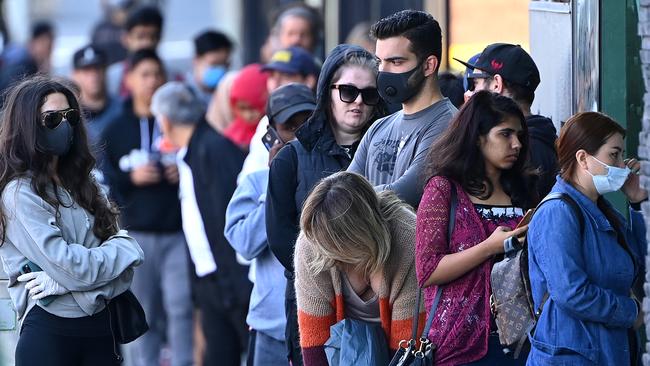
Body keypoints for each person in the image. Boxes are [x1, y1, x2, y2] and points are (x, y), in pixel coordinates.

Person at [0, 75, 144, 365]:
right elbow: (71, 265)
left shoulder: (86, 182)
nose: (64, 125)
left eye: (70, 116)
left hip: (102, 330)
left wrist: (68, 282)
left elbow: (125, 274)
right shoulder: (19, 193)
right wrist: (123, 250)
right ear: (28, 125)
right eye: (52, 119)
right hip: (50, 334)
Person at [266, 44, 386, 366]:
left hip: (381, 299)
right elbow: (281, 239)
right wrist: (336, 275)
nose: (358, 101)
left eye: (369, 94)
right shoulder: (291, 157)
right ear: (327, 91)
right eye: (348, 91)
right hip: (314, 300)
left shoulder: (387, 152)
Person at [415, 91, 537, 365]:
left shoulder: (523, 190)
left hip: (521, 338)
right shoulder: (443, 189)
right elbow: (427, 270)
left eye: (519, 136)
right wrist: (488, 248)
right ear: (478, 137)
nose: (516, 144)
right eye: (505, 134)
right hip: (459, 344)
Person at [526, 112, 647, 365]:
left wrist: (638, 201)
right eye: (613, 155)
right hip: (573, 355)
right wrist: (631, 312)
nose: (622, 165)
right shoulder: (557, 213)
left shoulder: (603, 211)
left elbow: (640, 267)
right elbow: (571, 292)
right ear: (583, 158)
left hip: (608, 351)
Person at [101, 50, 194, 366]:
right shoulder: (116, 128)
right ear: (129, 80)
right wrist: (131, 177)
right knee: (145, 311)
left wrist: (181, 172)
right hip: (136, 233)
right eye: (144, 74)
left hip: (176, 232)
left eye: (157, 73)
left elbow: (198, 164)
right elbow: (105, 183)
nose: (151, 81)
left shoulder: (178, 122)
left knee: (181, 307)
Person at [152, 82, 251, 366]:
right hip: (211, 280)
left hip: (233, 280)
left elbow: (226, 220)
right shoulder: (192, 153)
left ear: (165, 120)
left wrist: (234, 286)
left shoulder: (214, 150)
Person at [225, 83, 316, 366]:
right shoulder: (255, 183)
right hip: (271, 326)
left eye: (307, 125)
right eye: (290, 127)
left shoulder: (327, 176)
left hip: (318, 321)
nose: (299, 136)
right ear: (271, 136)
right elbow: (243, 243)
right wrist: (275, 188)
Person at [294, 172, 422, 365]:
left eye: (335, 247)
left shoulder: (408, 238)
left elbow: (406, 349)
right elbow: (315, 341)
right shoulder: (310, 243)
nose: (325, 252)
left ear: (357, 236)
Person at [347, 10, 457, 208]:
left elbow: (404, 194)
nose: (383, 72)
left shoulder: (450, 125)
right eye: (380, 62)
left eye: (396, 62)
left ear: (428, 65)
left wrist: (352, 198)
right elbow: (342, 190)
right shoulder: (378, 127)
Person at [457, 43, 558, 198]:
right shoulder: (541, 138)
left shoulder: (523, 149)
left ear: (497, 84)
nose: (470, 92)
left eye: (475, 83)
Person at [237, 46, 320, 180]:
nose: (275, 83)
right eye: (272, 76)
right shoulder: (268, 122)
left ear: (309, 80)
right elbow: (247, 182)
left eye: (286, 75)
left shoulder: (326, 118)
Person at [107, 5, 163, 98]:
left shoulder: (174, 78)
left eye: (152, 37)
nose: (146, 43)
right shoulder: (112, 78)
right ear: (125, 39)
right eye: (140, 37)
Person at [71, 44, 120, 143]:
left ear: (106, 70)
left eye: (97, 69)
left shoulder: (123, 108)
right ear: (75, 75)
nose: (93, 75)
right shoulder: (69, 114)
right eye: (86, 70)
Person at [0, 21, 55, 101]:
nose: (49, 51)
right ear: (33, 42)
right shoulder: (22, 68)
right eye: (48, 46)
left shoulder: (27, 63)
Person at [223, 63, 269, 150]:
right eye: (242, 108)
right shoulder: (231, 136)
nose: (248, 115)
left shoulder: (274, 134)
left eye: (254, 107)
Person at [188, 30, 233, 107]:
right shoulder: (182, 93)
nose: (220, 70)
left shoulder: (231, 92)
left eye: (224, 64)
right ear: (196, 60)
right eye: (214, 64)